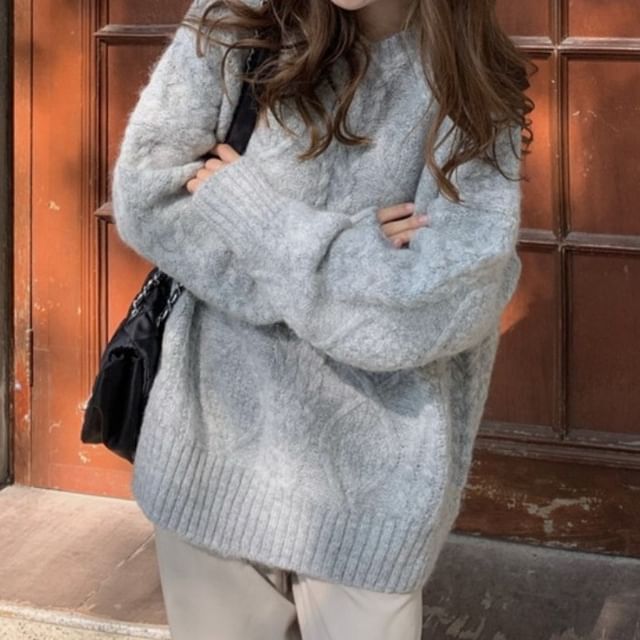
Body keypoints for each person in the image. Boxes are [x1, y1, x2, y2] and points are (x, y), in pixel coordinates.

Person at [111, 0, 534, 637]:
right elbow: (150, 199)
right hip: (212, 460)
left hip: (375, 498)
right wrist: (356, 258)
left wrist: (252, 213)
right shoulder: (235, 22)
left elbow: (435, 306)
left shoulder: (468, 76)